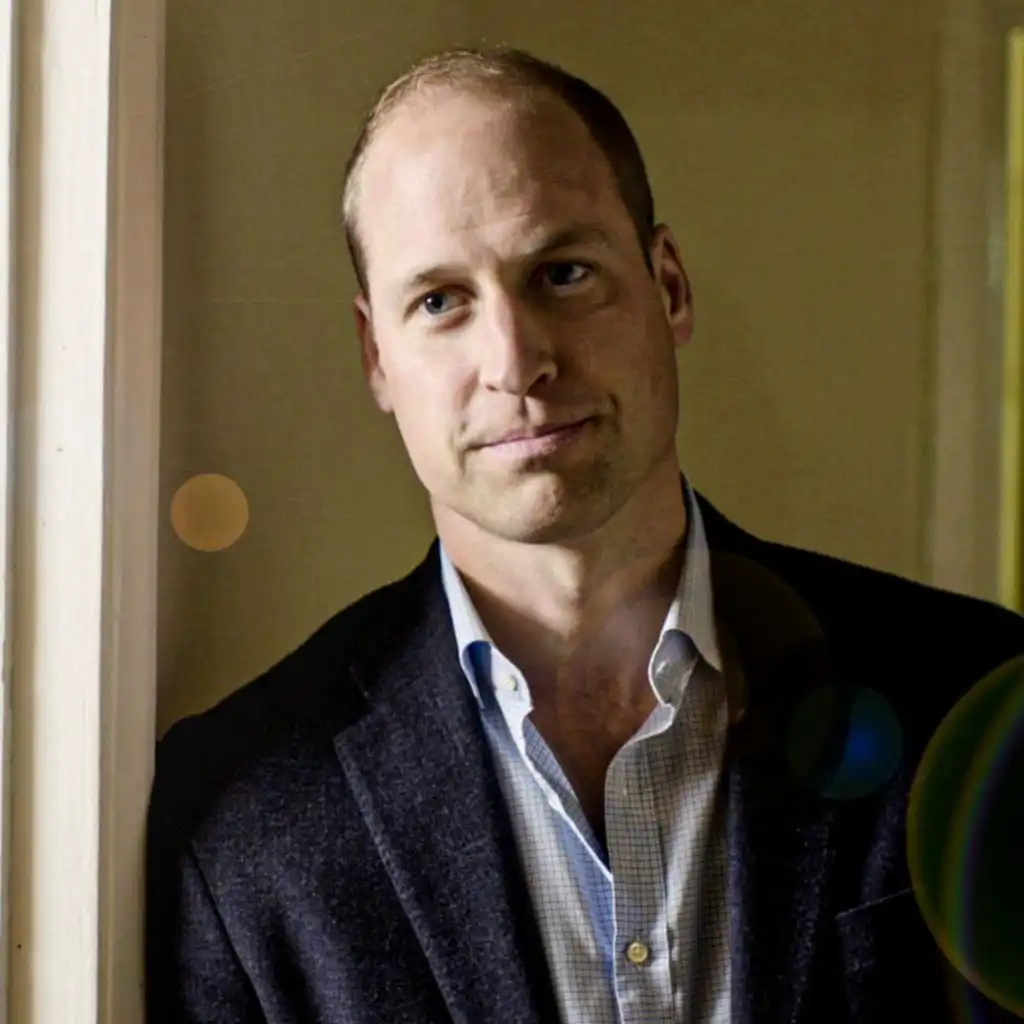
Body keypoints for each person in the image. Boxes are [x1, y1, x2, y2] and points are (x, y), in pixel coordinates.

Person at [145, 47, 1024, 1024]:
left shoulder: (978, 701)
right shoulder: (239, 816)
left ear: (669, 285)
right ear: (376, 355)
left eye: (562, 273)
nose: (515, 360)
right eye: (439, 301)